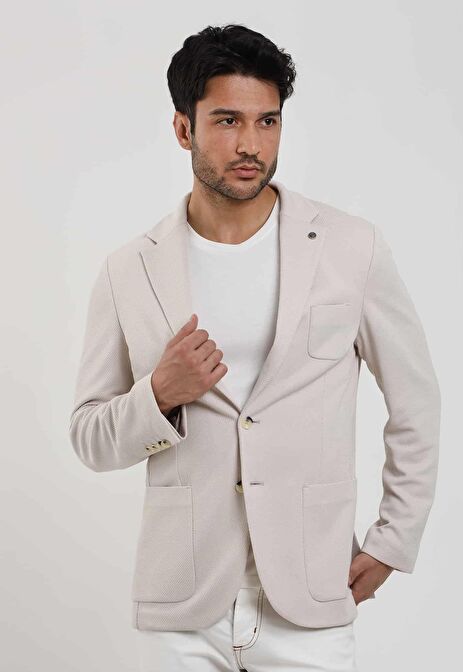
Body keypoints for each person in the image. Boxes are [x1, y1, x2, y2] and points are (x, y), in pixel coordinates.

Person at [69, 23, 441, 672]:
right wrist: (158, 395)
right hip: (181, 607)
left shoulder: (351, 249)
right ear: (183, 128)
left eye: (267, 121)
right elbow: (89, 438)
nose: (250, 144)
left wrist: (392, 541)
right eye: (226, 121)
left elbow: (416, 403)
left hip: (310, 599)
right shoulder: (130, 270)